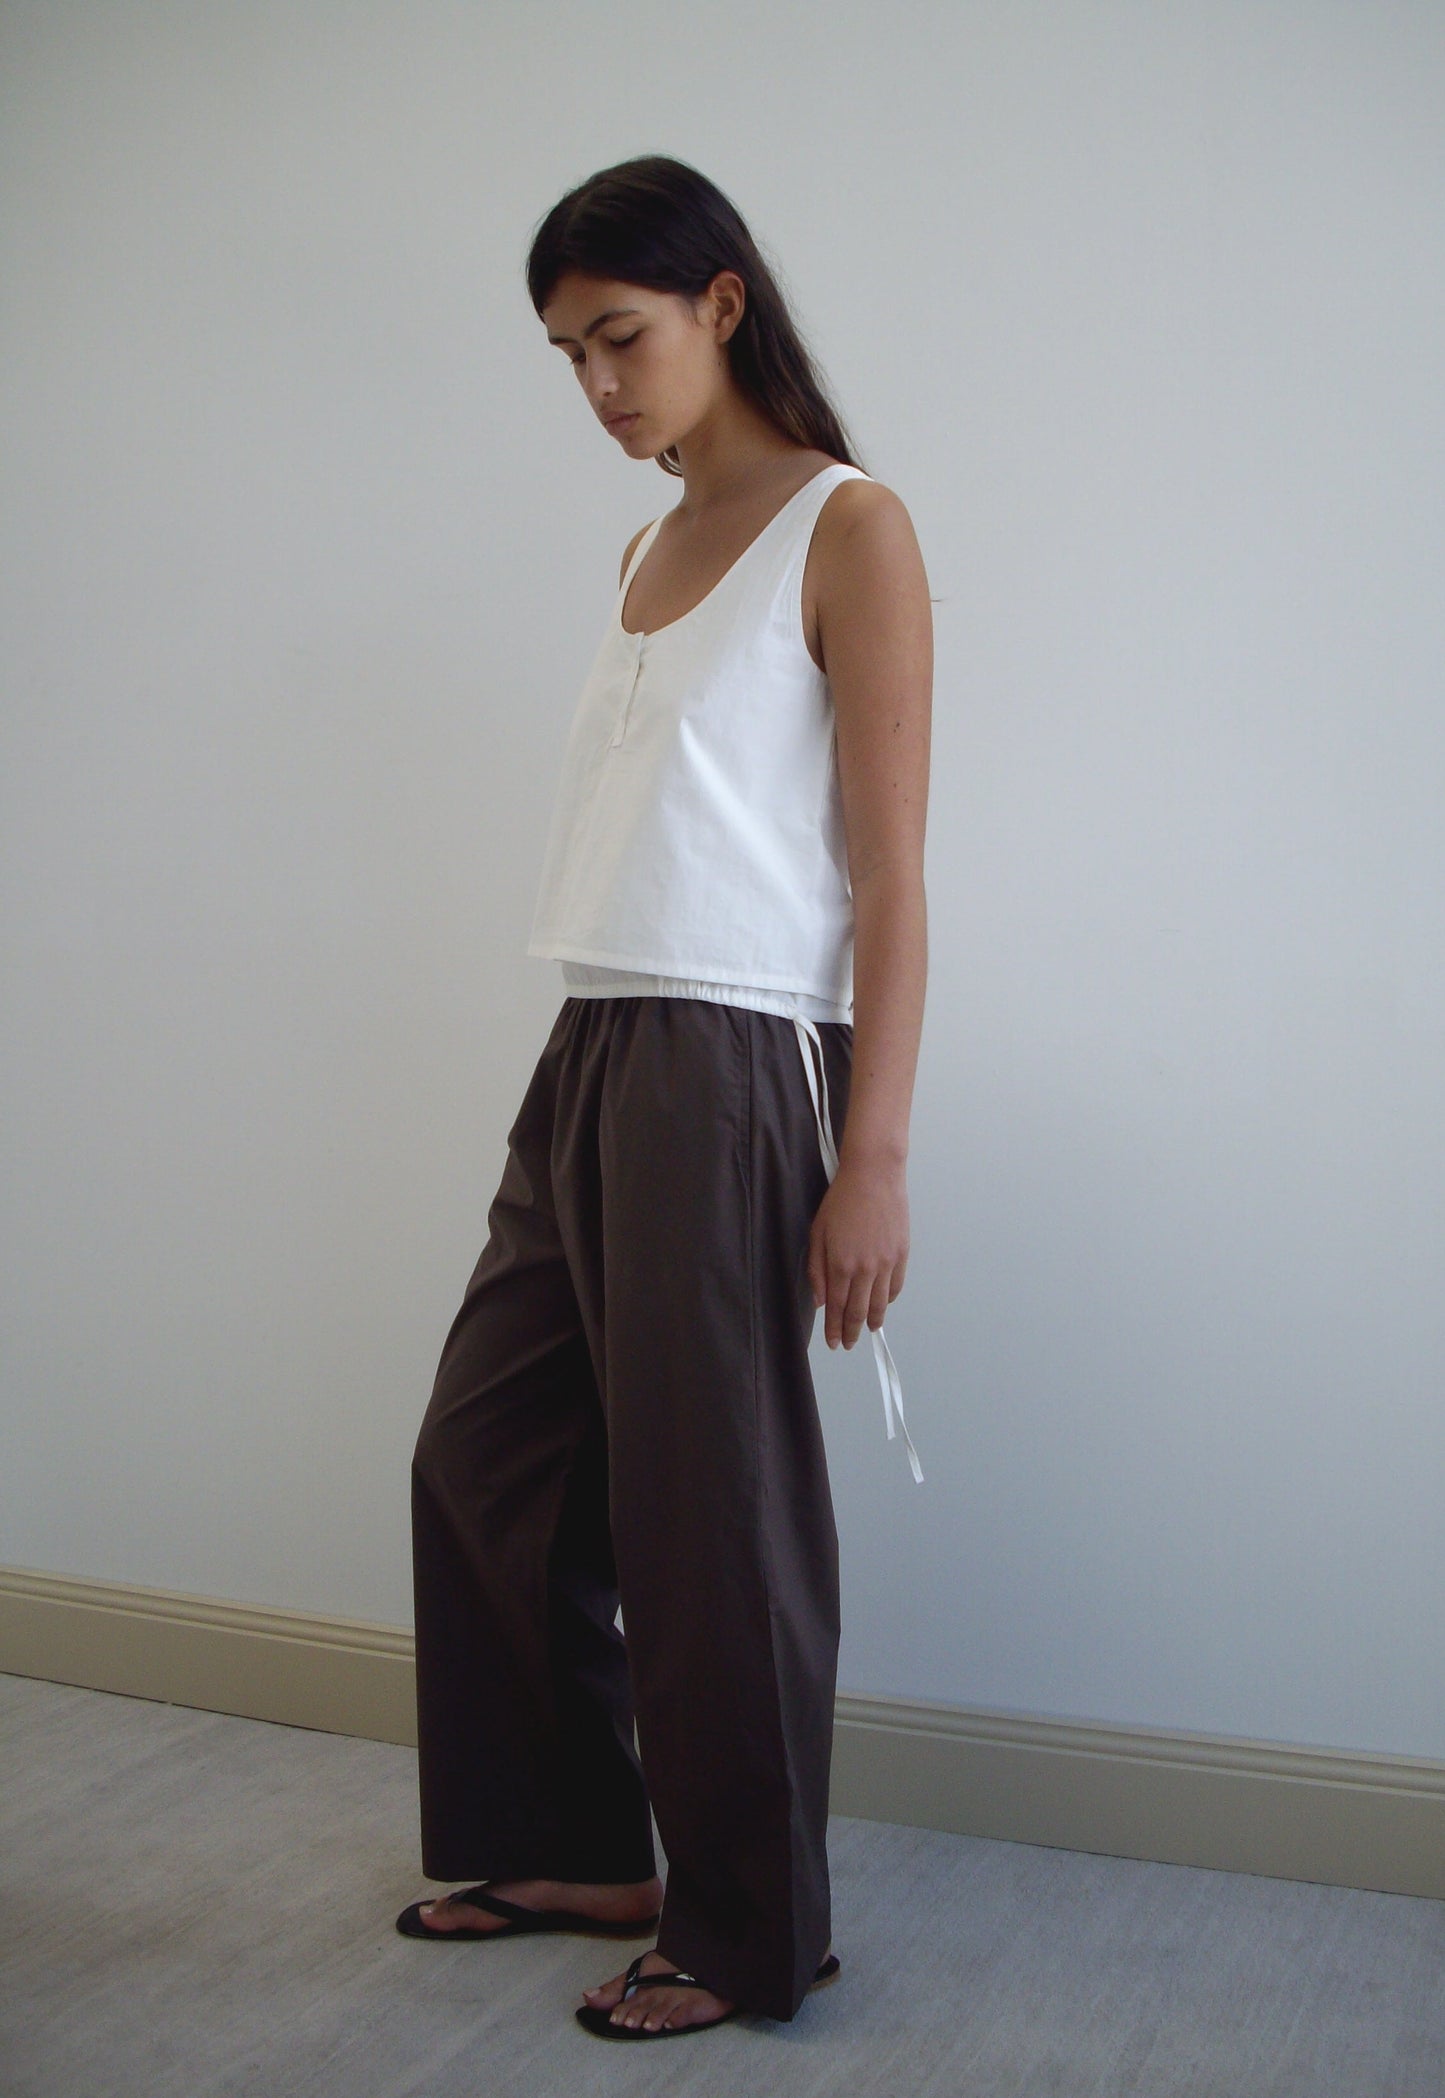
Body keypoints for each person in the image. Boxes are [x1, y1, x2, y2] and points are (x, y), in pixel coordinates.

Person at [394, 154, 932, 2041]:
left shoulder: (847, 528)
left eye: (617, 336)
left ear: (720, 303)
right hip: (598, 1040)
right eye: (566, 356)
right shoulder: (637, 550)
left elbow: (891, 874)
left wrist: (869, 1155)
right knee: (489, 1453)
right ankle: (585, 1840)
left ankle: (746, 1921)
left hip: (733, 1057)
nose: (598, 385)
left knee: (714, 1515)